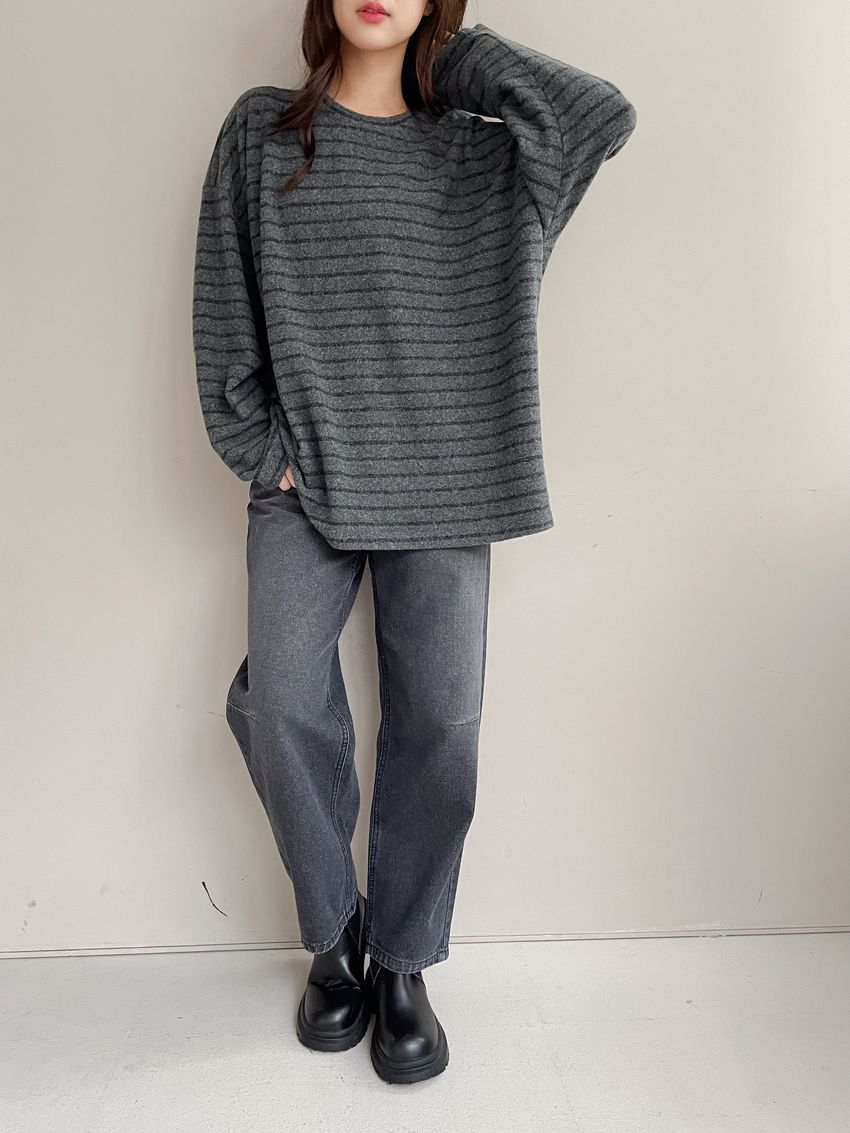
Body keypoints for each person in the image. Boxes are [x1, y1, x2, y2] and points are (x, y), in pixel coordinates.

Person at [192, 0, 636, 1085]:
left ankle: (400, 959)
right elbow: (223, 305)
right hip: (307, 478)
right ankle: (335, 932)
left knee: (441, 723)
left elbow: (599, 113)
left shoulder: (484, 157)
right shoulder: (263, 133)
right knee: (281, 701)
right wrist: (262, 450)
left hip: (448, 477)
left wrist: (449, 56)